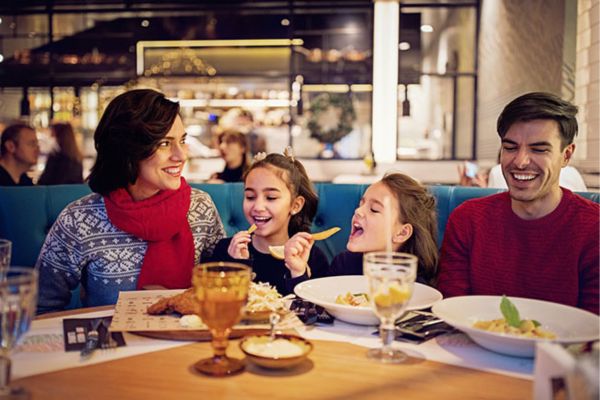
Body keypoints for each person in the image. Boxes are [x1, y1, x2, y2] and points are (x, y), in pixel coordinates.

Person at [36, 89, 226, 313]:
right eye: (164, 143)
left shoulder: (201, 207)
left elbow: (225, 285)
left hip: (190, 334)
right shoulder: (79, 219)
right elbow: (41, 305)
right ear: (128, 150)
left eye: (182, 140)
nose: (181, 155)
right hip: (111, 336)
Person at [439, 92, 599, 314]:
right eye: (510, 148)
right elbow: (452, 311)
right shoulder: (467, 220)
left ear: (566, 155)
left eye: (539, 149)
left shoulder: (593, 228)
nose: (521, 162)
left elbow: (593, 326)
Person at [207, 148, 329, 295]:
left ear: (295, 205)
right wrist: (238, 267)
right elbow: (213, 302)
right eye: (250, 197)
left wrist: (298, 273)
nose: (258, 207)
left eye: (271, 197)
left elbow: (316, 308)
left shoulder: (312, 257)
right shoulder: (225, 250)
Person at [327, 173, 439, 286]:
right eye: (360, 205)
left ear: (402, 233)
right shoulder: (343, 264)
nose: (358, 211)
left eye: (374, 209)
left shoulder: (414, 285)